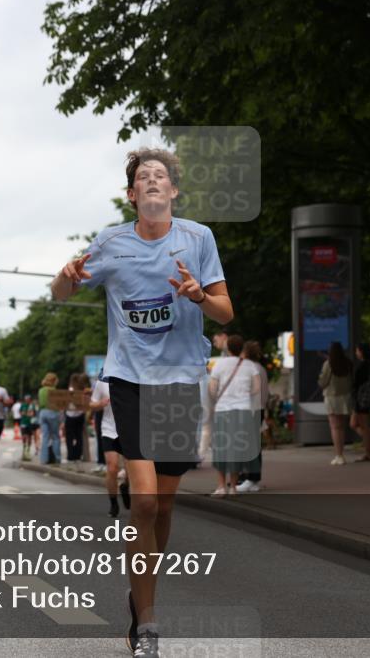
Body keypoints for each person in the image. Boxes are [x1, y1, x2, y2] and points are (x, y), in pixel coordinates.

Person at [52, 147, 232, 656]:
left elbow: (225, 314)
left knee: (165, 506)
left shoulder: (198, 238)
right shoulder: (110, 243)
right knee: (145, 500)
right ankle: (147, 623)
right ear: (132, 194)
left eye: (161, 176)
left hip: (179, 381)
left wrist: (198, 294)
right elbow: (60, 294)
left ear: (173, 191)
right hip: (130, 378)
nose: (153, 182)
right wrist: (66, 275)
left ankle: (139, 595)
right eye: (143, 178)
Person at [208, 335, 260, 496]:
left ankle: (221, 486)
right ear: (241, 348)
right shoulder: (251, 366)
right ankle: (233, 487)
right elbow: (257, 388)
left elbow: (212, 389)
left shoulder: (219, 364)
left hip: (223, 411)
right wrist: (244, 395)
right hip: (243, 410)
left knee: (221, 449)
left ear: (228, 348)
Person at [91, 375, 130, 517]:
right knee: (112, 467)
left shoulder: (133, 377)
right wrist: (101, 403)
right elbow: (92, 404)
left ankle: (125, 486)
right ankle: (113, 503)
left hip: (129, 430)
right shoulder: (103, 381)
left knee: (131, 470)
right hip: (109, 429)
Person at [236, 340, 269, 492]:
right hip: (258, 408)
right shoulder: (260, 368)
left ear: (245, 353)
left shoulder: (248, 369)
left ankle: (251, 478)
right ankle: (252, 478)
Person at [319, 341, 353, 466]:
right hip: (345, 397)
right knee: (341, 427)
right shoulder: (348, 363)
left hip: (332, 397)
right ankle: (341, 454)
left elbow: (323, 382)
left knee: (334, 427)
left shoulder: (328, 364)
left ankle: (339, 455)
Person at [351, 343, 370, 462]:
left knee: (364, 425)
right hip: (368, 397)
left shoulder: (362, 366)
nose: (356, 353)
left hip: (361, 398)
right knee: (354, 423)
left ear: (361, 352)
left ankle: (368, 452)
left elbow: (356, 383)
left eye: (357, 350)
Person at [37, 372, 61, 465]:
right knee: (55, 436)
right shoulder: (54, 390)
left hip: (42, 413)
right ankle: (57, 458)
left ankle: (44, 459)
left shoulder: (41, 390)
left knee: (45, 437)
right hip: (52, 412)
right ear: (54, 380)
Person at [64, 373, 88, 461]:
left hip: (70, 415)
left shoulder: (70, 389)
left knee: (69, 437)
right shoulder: (82, 389)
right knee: (79, 436)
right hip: (80, 415)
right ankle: (78, 454)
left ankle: (71, 455)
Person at [19, 394, 38, 461]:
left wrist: (28, 414)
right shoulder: (23, 405)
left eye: (28, 399)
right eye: (26, 399)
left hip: (30, 423)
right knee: (24, 436)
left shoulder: (32, 406)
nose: (27, 400)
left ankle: (28, 450)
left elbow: (33, 414)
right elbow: (20, 412)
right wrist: (25, 413)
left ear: (30, 400)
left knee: (29, 437)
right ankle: (24, 450)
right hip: (23, 423)